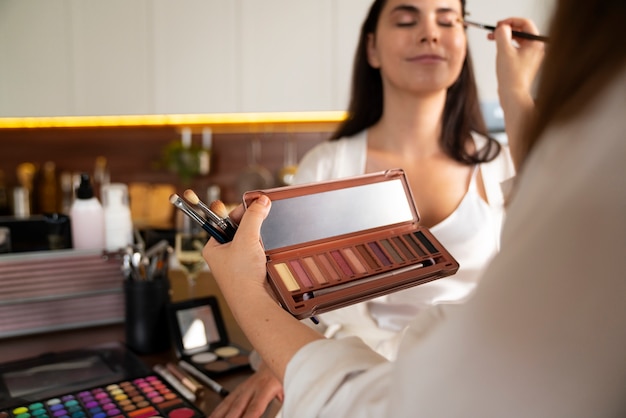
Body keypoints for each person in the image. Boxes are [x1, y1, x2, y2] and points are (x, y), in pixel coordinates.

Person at [204, 0, 626, 414]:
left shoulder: (505, 159)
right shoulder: (329, 165)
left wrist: (514, 90)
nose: (430, 32)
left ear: (465, 39)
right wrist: (287, 362)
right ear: (371, 48)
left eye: (448, 20)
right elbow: (299, 298)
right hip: (351, 367)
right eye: (407, 20)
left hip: (453, 377)